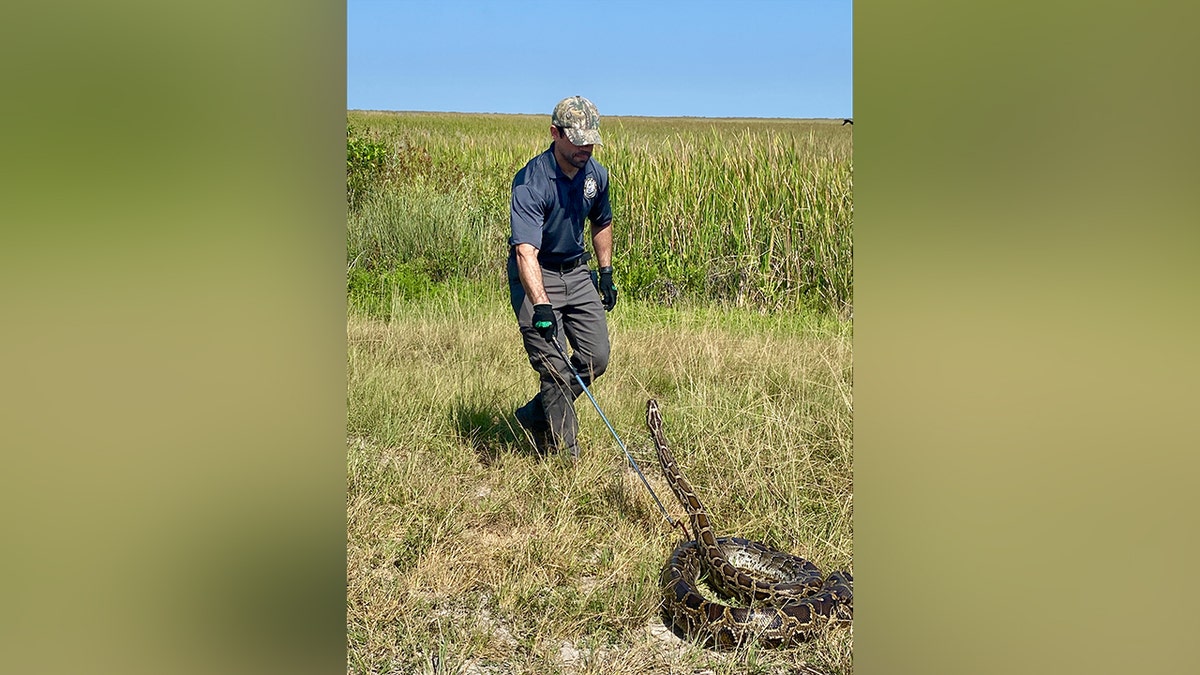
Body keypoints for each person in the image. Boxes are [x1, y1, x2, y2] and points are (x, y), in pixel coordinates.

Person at [507, 95, 618, 459]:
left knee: (595, 357)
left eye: (591, 140)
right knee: (554, 368)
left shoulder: (595, 175)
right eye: (577, 140)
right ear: (555, 133)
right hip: (538, 274)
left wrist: (605, 272)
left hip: (577, 270)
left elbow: (602, 222)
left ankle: (538, 412)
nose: (585, 148)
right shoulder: (531, 181)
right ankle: (567, 458)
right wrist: (540, 305)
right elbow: (526, 252)